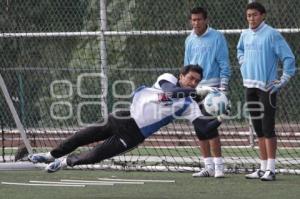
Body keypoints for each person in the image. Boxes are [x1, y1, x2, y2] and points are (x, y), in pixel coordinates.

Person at [28, 65, 229, 173]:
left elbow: (203, 128)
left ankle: (63, 162)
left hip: (134, 133)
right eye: (190, 79)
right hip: (123, 116)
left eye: (196, 82)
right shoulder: (168, 79)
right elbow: (171, 92)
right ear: (181, 75)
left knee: (96, 155)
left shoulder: (190, 105)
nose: (193, 83)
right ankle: (51, 154)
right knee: (82, 135)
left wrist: (220, 117)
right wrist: (193, 92)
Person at [237, 2, 296, 181]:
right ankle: (262, 168)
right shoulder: (244, 34)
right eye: (249, 15)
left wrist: (283, 79)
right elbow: (239, 50)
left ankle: (271, 169)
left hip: (267, 88)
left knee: (268, 128)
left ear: (263, 15)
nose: (251, 18)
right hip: (250, 86)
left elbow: (288, 58)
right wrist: (243, 62)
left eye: (255, 15)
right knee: (258, 130)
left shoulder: (272, 34)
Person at [184, 6, 231, 178]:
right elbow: (187, 66)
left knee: (211, 129)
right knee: (199, 128)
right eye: (193, 20)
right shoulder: (189, 40)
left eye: (199, 19)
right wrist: (186, 87)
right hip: (194, 90)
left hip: (213, 90)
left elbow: (224, 64)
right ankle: (208, 166)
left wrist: (223, 88)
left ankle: (219, 166)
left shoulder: (217, 37)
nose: (196, 23)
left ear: (206, 20)